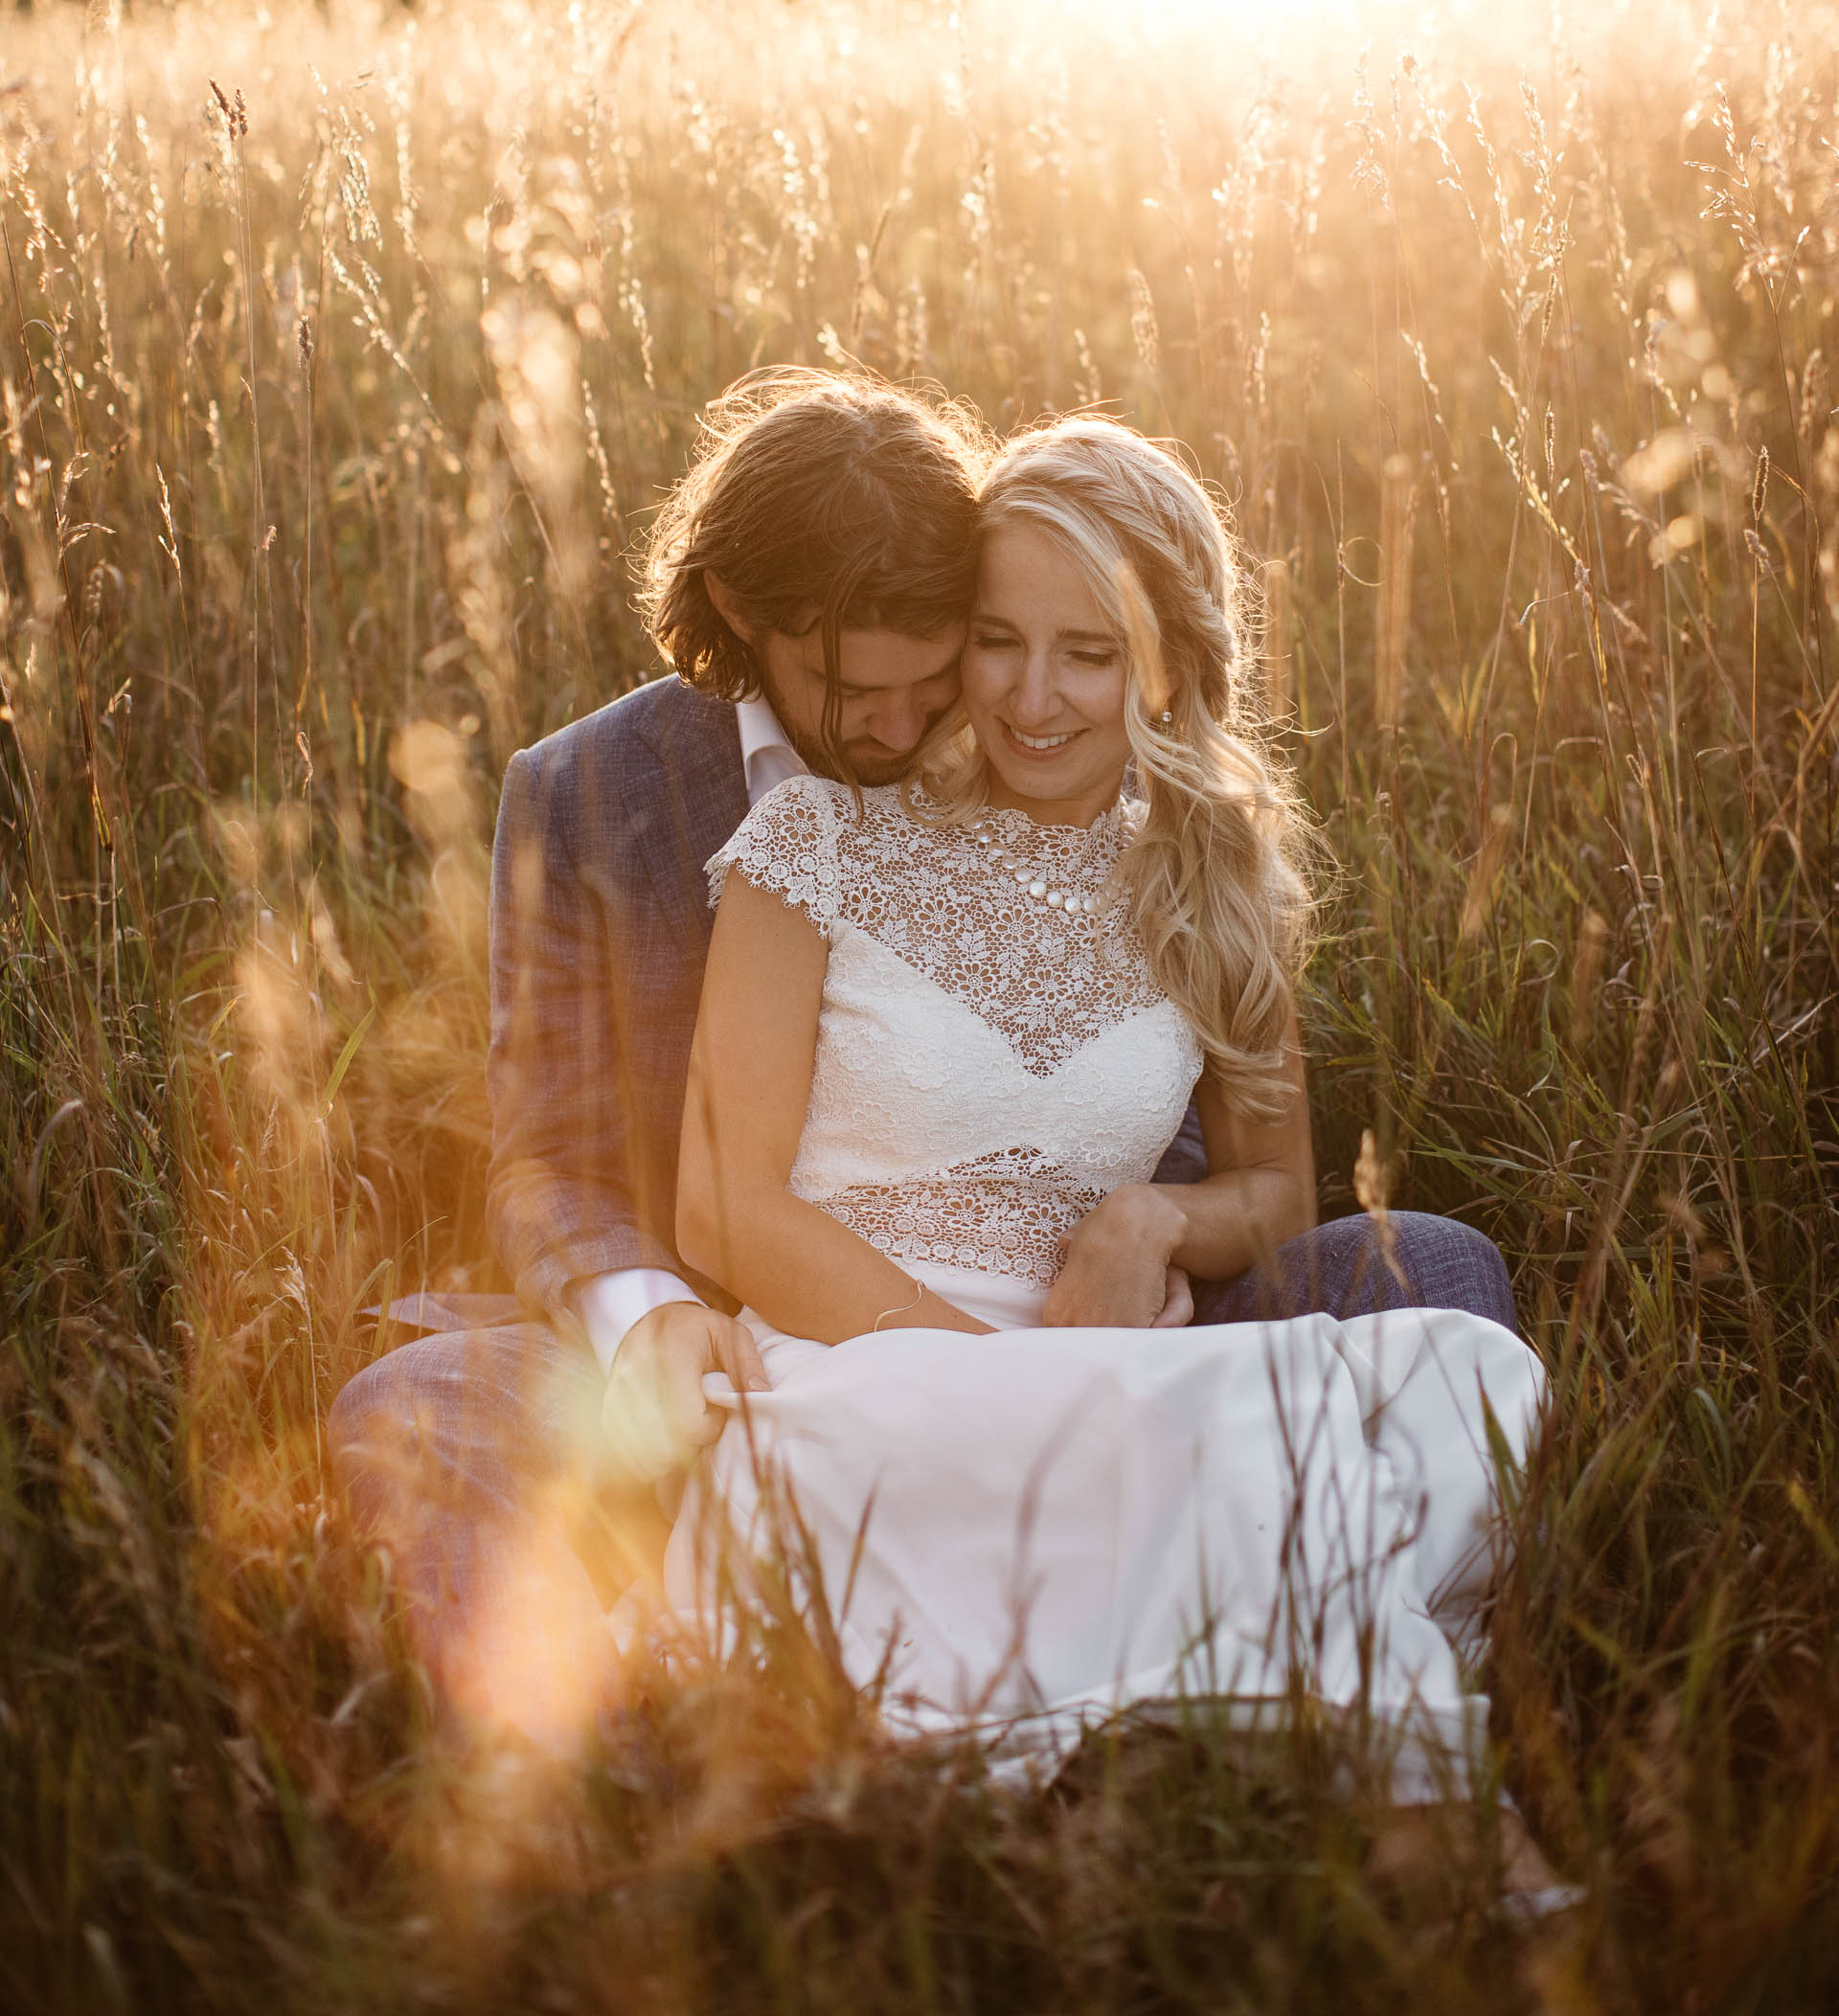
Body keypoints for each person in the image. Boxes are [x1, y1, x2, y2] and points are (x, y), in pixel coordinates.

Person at [328, 371, 1519, 1750]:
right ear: (741, 622)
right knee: (416, 1411)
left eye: (942, 668)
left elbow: (1239, 1163)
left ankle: (1213, 1652)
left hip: (1105, 1330)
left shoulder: (1137, 824)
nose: (902, 732)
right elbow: (556, 1156)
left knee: (1432, 1273)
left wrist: (1152, 1229)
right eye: (854, 689)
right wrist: (646, 1315)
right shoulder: (596, 797)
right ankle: (584, 1760)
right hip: (762, 1349)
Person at [663, 417, 1547, 1804]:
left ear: (1168, 663)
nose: (1033, 698)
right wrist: (1007, 1387)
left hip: (1112, 1365)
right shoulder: (816, 841)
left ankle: (1275, 1755)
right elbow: (725, 1206)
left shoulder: (1216, 883)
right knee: (1209, 1491)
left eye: (1089, 652)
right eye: (997, 640)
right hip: (865, 1368)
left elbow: (1276, 1190)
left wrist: (1153, 1220)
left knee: (1471, 1375)